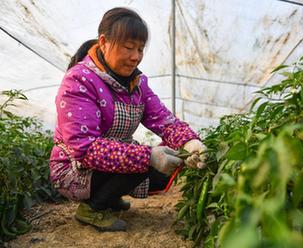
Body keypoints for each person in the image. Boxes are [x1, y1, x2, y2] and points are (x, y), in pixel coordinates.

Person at [49, 7, 207, 232]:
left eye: (140, 49)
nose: (136, 56)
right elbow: (84, 149)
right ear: (104, 42)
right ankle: (92, 208)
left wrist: (190, 143)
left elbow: (163, 119)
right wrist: (147, 156)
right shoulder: (79, 81)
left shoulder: (137, 84)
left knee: (167, 159)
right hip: (74, 170)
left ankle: (109, 197)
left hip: (108, 163)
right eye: (128, 47)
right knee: (143, 161)